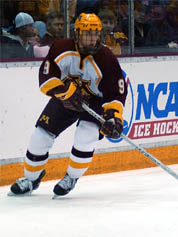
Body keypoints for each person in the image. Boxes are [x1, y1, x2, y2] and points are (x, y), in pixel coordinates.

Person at [9, 13, 127, 197]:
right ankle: (31, 179)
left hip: (94, 103)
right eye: (87, 33)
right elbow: (46, 78)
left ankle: (71, 177)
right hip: (65, 98)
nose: (92, 38)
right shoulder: (60, 47)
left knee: (85, 136)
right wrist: (64, 92)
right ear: (77, 33)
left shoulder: (107, 58)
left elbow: (116, 93)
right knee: (39, 136)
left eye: (95, 33)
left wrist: (113, 117)